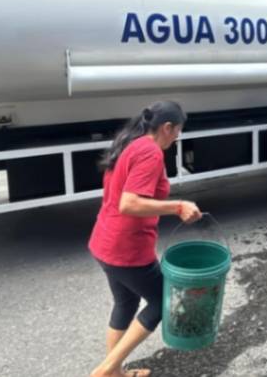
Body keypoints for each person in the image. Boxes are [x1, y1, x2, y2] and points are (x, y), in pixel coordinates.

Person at [88, 101, 203, 377]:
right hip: (126, 248)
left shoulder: (132, 143)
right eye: (177, 132)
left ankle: (115, 373)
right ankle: (103, 371)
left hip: (104, 242)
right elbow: (129, 203)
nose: (177, 138)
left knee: (126, 303)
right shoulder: (150, 152)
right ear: (167, 127)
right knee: (163, 300)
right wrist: (177, 206)